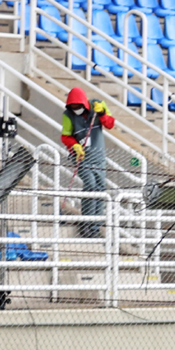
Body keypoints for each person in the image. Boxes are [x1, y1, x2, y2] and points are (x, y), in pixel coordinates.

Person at [59, 87, 115, 238]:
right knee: (90, 184)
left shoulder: (98, 105)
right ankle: (86, 222)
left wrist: (102, 112)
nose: (75, 109)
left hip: (98, 157)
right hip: (81, 157)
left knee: (100, 188)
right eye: (72, 107)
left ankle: (95, 227)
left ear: (84, 103)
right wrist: (74, 145)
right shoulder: (68, 116)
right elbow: (65, 136)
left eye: (78, 106)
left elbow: (110, 124)